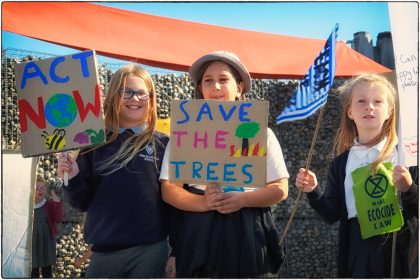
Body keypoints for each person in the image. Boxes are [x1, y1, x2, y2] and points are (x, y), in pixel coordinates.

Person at [160, 50, 289, 277]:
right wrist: (205, 203)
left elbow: (280, 188)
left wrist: (243, 199)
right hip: (196, 229)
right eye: (208, 81)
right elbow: (170, 190)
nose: (215, 87)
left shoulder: (262, 133)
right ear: (200, 88)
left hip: (247, 229)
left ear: (239, 88)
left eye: (223, 80)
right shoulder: (184, 133)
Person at [295, 73, 418, 278]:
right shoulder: (341, 164)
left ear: (389, 111)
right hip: (358, 249)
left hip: (401, 249)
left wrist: (409, 189)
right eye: (361, 101)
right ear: (350, 112)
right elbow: (331, 213)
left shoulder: (407, 155)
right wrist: (313, 191)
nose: (369, 106)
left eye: (377, 101)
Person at [57, 64, 170, 278]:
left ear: (151, 98)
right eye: (126, 91)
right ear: (113, 97)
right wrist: (71, 177)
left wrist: (177, 249)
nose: (134, 98)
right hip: (104, 252)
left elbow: (174, 200)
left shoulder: (165, 144)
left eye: (141, 93)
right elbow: (80, 203)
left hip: (151, 250)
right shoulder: (93, 143)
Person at [31, 175, 63, 278]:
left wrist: (57, 203)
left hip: (46, 239)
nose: (41, 190)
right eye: (37, 188)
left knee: (46, 269)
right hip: (33, 240)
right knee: (33, 268)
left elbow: (58, 219)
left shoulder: (48, 204)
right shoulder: (28, 206)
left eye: (42, 187)